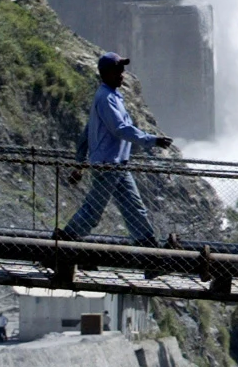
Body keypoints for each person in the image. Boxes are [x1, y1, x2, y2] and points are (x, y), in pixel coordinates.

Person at [55, 53, 172, 243]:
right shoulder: (106, 98)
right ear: (106, 74)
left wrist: (80, 163)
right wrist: (152, 140)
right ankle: (64, 244)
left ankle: (149, 252)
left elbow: (86, 133)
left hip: (118, 166)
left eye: (122, 70)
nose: (122, 74)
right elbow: (120, 129)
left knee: (134, 208)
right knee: (93, 211)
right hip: (107, 166)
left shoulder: (112, 97)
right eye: (117, 70)